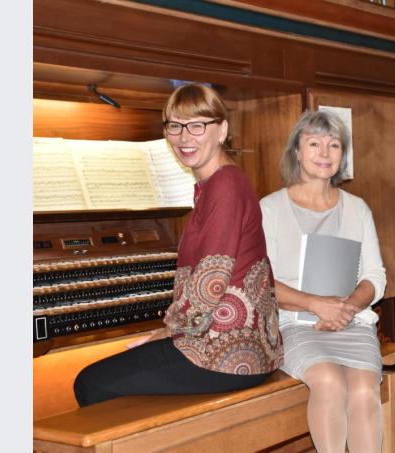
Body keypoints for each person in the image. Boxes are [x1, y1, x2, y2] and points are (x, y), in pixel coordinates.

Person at [73, 84, 283, 406]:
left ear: (222, 130)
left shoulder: (225, 186)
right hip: (237, 344)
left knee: (90, 383)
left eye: (197, 125)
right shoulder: (215, 184)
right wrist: (170, 330)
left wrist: (168, 331)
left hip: (225, 352)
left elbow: (211, 281)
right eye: (175, 125)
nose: (185, 137)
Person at [260, 110, 387, 453]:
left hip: (351, 322)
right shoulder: (270, 208)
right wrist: (317, 305)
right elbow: (263, 282)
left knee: (364, 390)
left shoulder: (357, 208)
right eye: (314, 143)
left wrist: (347, 308)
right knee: (330, 382)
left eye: (334, 145)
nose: (325, 152)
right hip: (293, 323)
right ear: (296, 151)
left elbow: (374, 276)